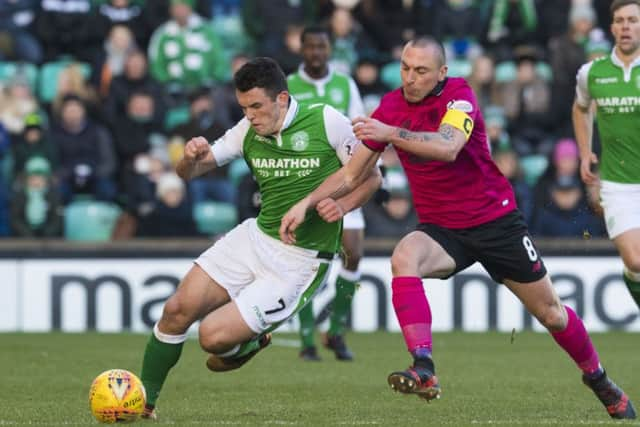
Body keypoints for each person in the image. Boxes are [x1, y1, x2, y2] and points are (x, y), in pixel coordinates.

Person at [280, 37, 636, 419]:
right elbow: (353, 172)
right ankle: (423, 366)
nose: (410, 78)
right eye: (405, 68)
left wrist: (391, 134)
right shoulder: (390, 107)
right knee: (404, 257)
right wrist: (308, 203)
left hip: (495, 223)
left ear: (442, 73)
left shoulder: (459, 96)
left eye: (421, 71)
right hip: (442, 230)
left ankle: (598, 378)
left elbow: (448, 146)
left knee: (552, 314)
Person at [139, 57, 381, 419]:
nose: (250, 115)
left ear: (281, 99)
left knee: (211, 339)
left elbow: (371, 176)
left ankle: (251, 343)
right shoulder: (246, 131)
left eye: (256, 106)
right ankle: (143, 403)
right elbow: (191, 172)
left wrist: (343, 206)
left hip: (300, 261)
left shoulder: (326, 120)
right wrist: (190, 158)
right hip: (255, 238)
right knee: (175, 311)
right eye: (243, 107)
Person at [287, 25, 367, 361]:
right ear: (301, 49)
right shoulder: (288, 86)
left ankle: (335, 329)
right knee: (305, 262)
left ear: (330, 49)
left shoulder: (344, 83)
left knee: (354, 254)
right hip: (304, 183)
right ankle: (307, 338)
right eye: (311, 47)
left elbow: (360, 126)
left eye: (322, 47)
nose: (317, 53)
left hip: (344, 178)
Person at [572, 0, 640, 313]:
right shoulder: (592, 73)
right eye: (621, 21)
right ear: (612, 27)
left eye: (633, 20)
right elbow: (581, 107)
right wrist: (585, 152)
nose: (626, 26)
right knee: (636, 261)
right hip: (618, 183)